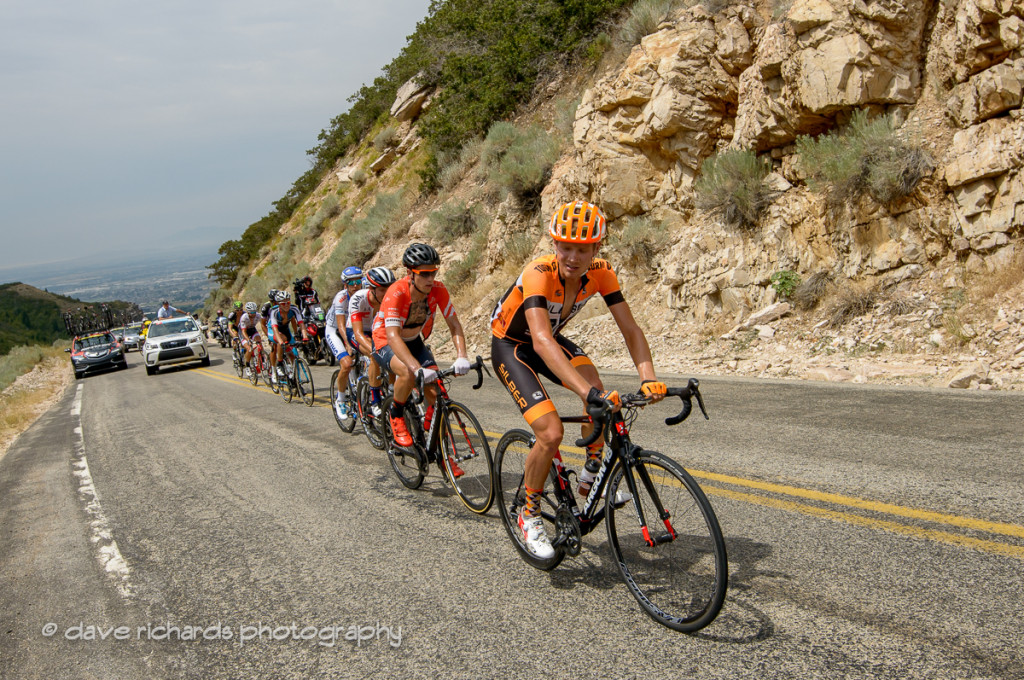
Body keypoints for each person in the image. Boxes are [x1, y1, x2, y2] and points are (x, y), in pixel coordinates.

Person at [490, 200, 667, 559]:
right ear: (554, 245)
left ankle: (591, 472)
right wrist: (586, 392)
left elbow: (630, 328)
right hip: (513, 346)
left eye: (582, 249)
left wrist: (648, 378)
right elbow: (539, 340)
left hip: (549, 341)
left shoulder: (602, 272)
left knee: (599, 395)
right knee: (551, 432)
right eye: (565, 247)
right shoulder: (538, 271)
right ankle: (530, 514)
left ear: (596, 249)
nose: (572, 257)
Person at [372, 243, 472, 449]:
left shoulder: (438, 289)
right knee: (409, 373)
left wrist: (462, 355)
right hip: (385, 340)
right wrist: (417, 368)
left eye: (433, 273)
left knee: (436, 389)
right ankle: (396, 414)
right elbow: (392, 336)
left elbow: (454, 323)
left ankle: (433, 435)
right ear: (410, 273)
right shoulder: (396, 292)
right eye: (424, 274)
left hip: (413, 340)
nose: (430, 279)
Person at [347, 267, 395, 418]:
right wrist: (375, 349)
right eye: (382, 289)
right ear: (371, 289)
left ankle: (393, 390)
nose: (387, 292)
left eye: (389, 288)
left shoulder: (391, 298)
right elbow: (358, 333)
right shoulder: (359, 298)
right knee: (375, 354)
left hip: (378, 331)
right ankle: (375, 401)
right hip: (358, 331)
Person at [325, 266, 364, 421]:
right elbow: (341, 326)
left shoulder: (365, 293)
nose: (355, 285)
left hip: (353, 328)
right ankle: (340, 399)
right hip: (335, 330)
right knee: (347, 364)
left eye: (358, 281)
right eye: (351, 282)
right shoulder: (341, 298)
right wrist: (347, 344)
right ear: (345, 285)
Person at [269, 291, 308, 379]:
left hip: (285, 329)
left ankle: (296, 381)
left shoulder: (294, 309)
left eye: (288, 302)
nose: (286, 305)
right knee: (282, 340)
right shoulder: (274, 311)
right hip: (273, 330)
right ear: (279, 304)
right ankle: (279, 363)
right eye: (283, 303)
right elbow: (275, 329)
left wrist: (305, 337)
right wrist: (281, 343)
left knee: (292, 354)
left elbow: (301, 324)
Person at [238, 302, 261, 377]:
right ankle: (247, 365)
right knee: (249, 348)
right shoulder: (244, 317)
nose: (253, 314)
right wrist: (248, 340)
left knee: (259, 340)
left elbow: (264, 324)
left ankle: (262, 357)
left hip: (252, 330)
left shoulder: (258, 315)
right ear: (248, 312)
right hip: (243, 332)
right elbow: (243, 331)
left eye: (254, 312)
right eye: (251, 312)